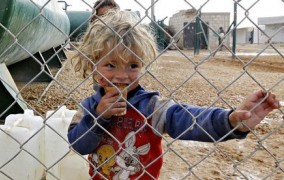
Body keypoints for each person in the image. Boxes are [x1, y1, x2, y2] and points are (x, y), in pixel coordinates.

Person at [68, 10, 280, 179]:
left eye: (133, 65)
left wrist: (231, 121)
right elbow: (78, 145)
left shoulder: (152, 107)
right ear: (93, 65)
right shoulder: (89, 107)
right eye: (111, 65)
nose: (122, 75)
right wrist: (99, 116)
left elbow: (191, 119)